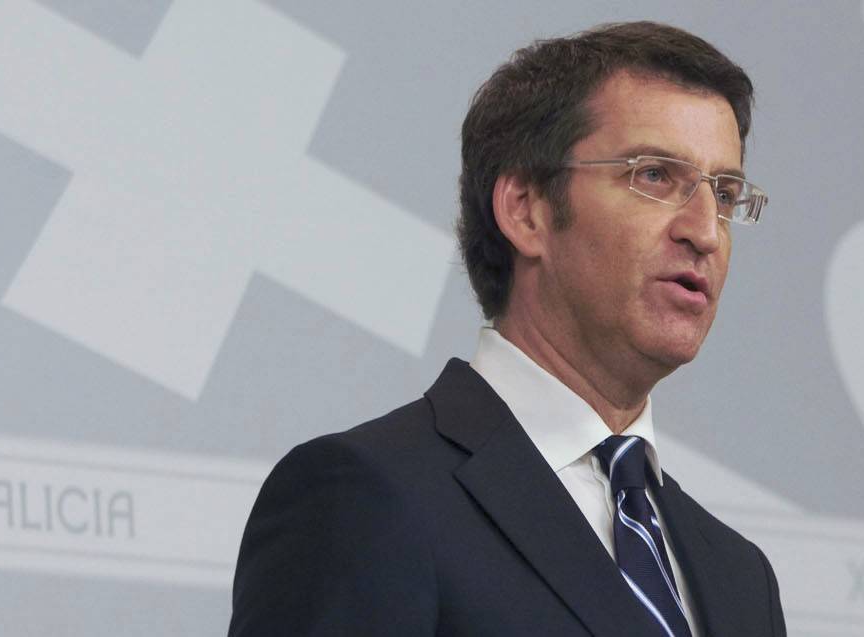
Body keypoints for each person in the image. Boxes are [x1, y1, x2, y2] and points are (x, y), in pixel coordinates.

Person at [229, 21, 783, 636]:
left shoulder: (741, 579)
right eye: (654, 175)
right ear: (526, 210)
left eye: (724, 194)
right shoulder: (364, 498)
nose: (705, 232)